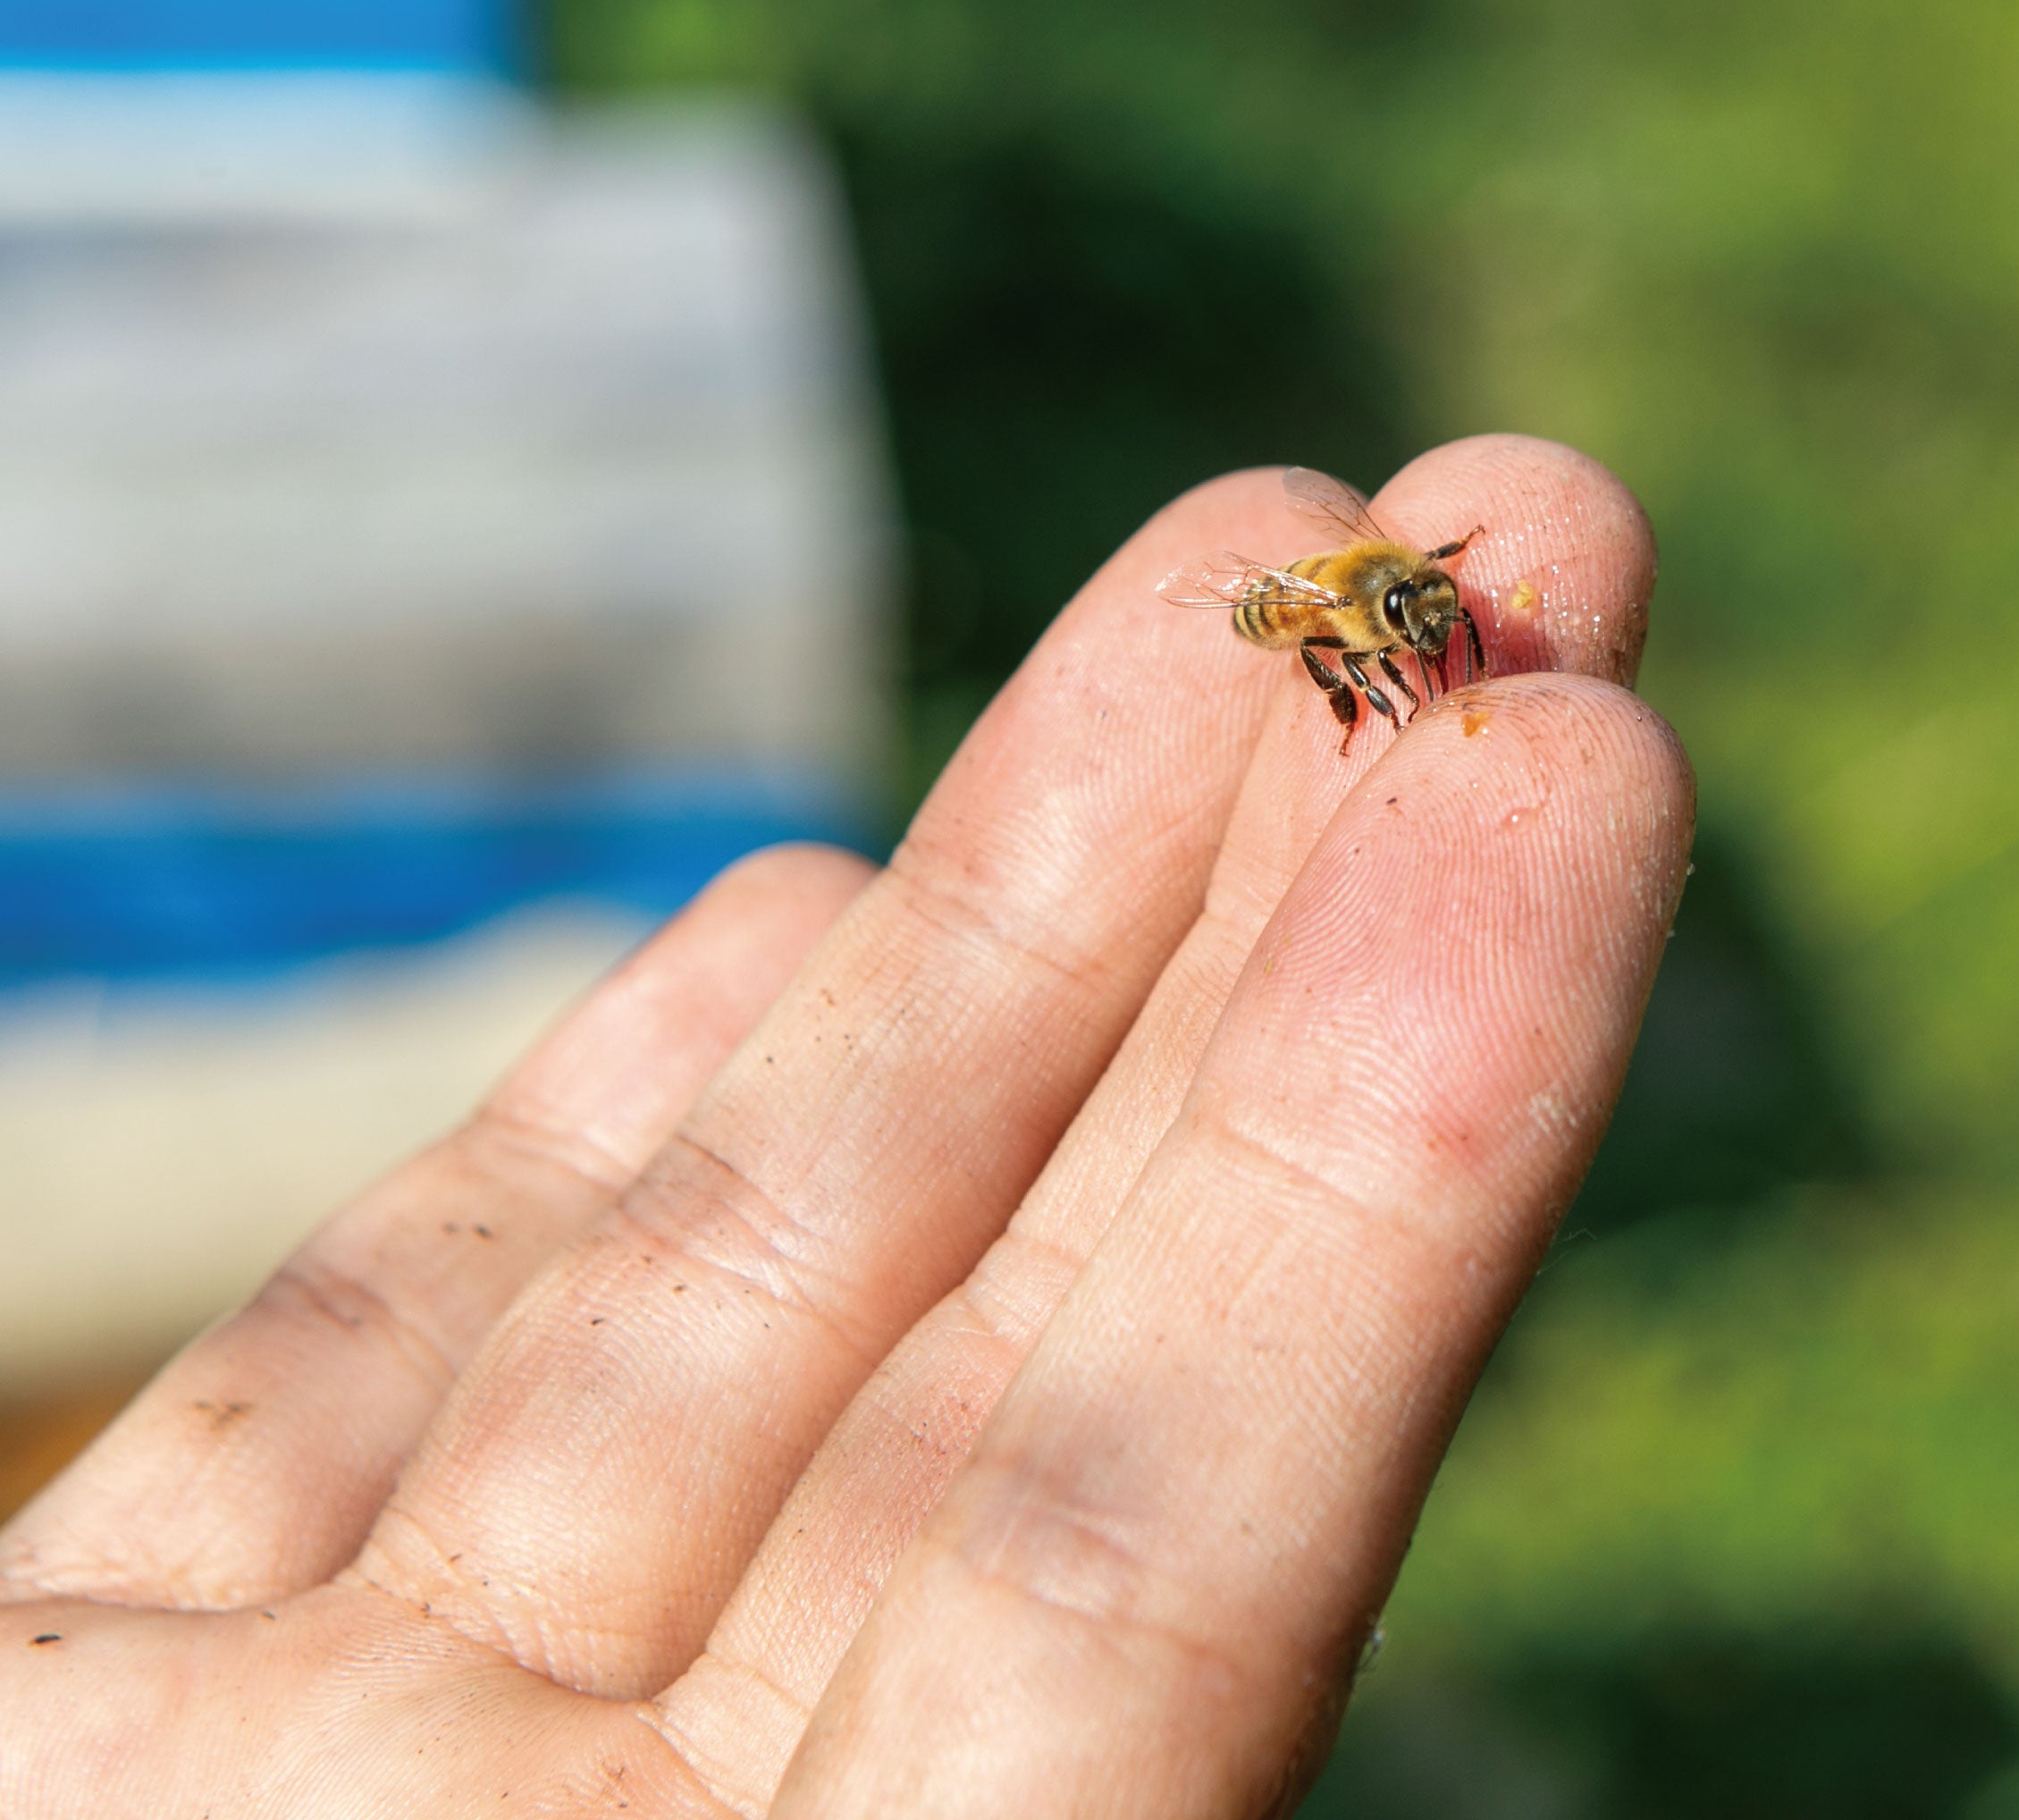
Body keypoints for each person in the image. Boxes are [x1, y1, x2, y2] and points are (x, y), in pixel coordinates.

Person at [0, 434, 1692, 1816]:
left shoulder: (1408, 593)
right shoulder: (1333, 614)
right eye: (1408, 637)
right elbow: (1343, 616)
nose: (1425, 641)